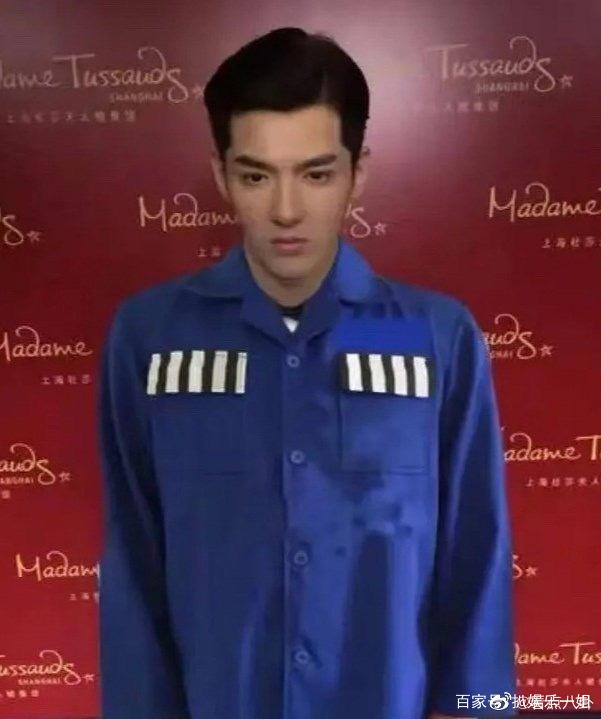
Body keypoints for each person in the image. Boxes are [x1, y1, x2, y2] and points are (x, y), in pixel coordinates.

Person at [97, 26, 517, 719]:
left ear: (358, 173)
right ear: (220, 175)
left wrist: (483, 707)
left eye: (316, 174)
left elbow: (476, 548)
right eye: (256, 175)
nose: (285, 210)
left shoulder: (435, 336)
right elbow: (135, 559)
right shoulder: (151, 338)